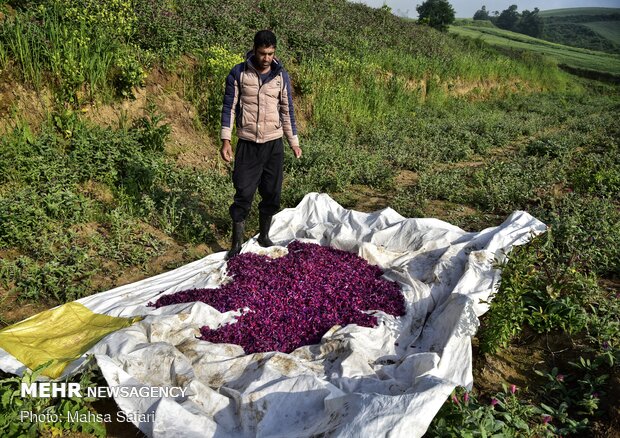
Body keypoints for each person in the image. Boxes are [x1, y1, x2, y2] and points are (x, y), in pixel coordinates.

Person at [220, 30, 302, 259]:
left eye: (270, 53)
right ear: (254, 50)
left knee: (272, 193)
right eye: (262, 53)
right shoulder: (239, 73)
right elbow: (229, 108)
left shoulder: (280, 75)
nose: (266, 58)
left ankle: (264, 236)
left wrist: (293, 141)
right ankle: (236, 245)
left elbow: (287, 110)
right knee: (243, 192)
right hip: (248, 144)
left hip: (273, 144)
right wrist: (226, 140)